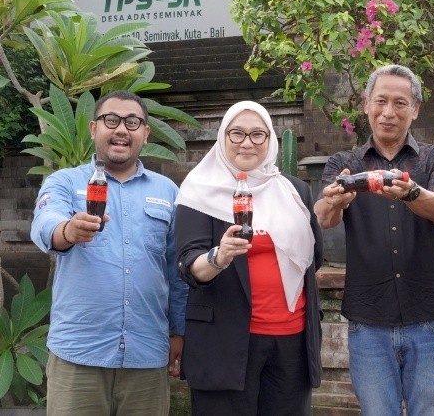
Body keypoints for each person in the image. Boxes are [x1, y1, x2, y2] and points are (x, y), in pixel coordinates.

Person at [30, 91, 187, 415]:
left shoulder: (168, 191)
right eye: (111, 120)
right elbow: (45, 221)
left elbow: (178, 270)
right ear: (93, 128)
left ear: (146, 133)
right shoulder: (64, 182)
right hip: (78, 356)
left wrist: (180, 332)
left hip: (146, 355)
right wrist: (68, 231)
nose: (121, 130)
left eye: (133, 122)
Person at [314, 64, 434, 416]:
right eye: (380, 101)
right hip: (368, 321)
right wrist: (335, 201)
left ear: (415, 109)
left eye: (400, 103)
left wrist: (411, 192)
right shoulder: (344, 163)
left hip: (428, 317)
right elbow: (324, 217)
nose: (388, 112)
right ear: (366, 104)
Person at [174, 101, 323, 415]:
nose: (247, 142)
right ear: (223, 137)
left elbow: (313, 259)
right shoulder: (200, 190)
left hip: (292, 341)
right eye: (237, 133)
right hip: (225, 342)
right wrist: (218, 257)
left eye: (258, 134)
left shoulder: (295, 191)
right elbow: (189, 266)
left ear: (270, 140)